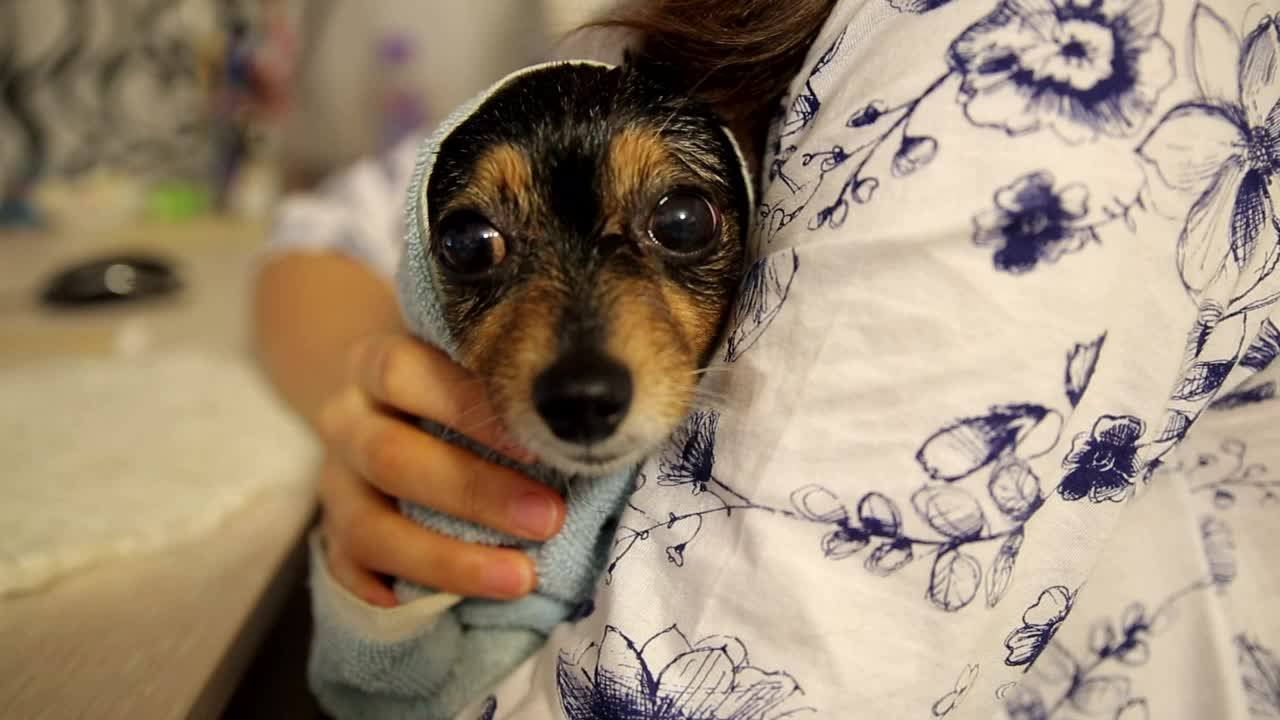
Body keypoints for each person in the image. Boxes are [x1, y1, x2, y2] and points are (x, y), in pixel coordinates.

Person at [254, 0, 1280, 717]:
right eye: (477, 248)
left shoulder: (1031, 58)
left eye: (683, 222)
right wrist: (382, 414)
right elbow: (322, 237)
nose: (576, 348)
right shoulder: (674, 32)